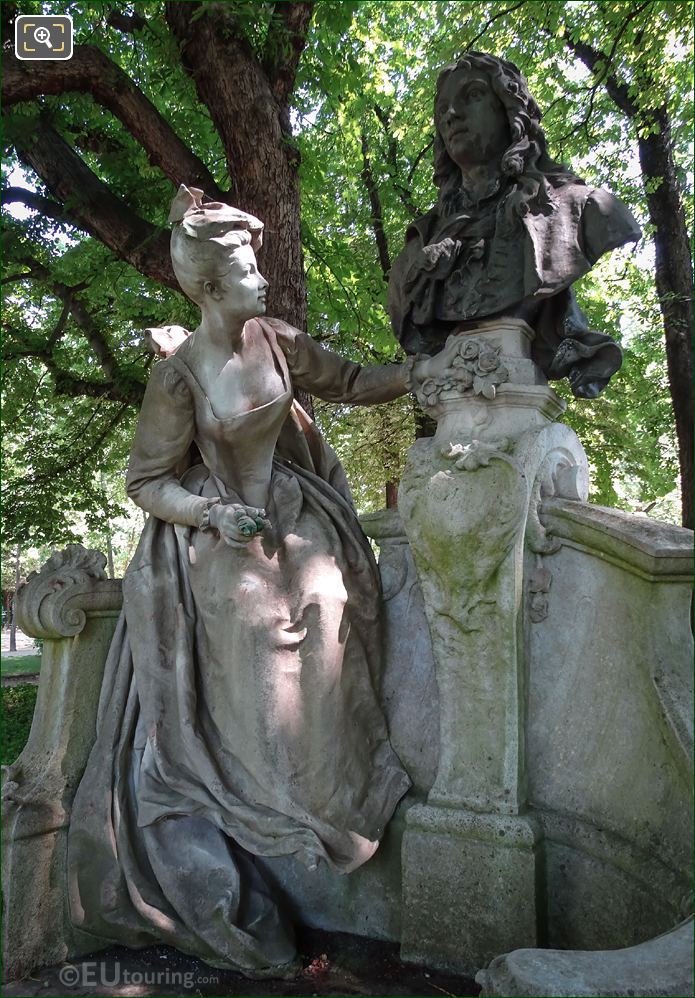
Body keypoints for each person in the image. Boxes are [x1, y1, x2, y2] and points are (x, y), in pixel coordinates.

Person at [67, 186, 417, 977]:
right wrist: (212, 515)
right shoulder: (180, 377)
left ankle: (335, 795)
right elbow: (147, 481)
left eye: (259, 265)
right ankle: (259, 792)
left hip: (292, 512)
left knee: (327, 595)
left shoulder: (276, 337)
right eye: (249, 271)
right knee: (258, 625)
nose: (264, 281)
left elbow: (355, 380)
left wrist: (423, 373)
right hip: (212, 529)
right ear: (211, 289)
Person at [388, 52, 642, 399]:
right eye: (443, 107)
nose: (451, 114)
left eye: (473, 96)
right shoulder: (418, 249)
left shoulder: (580, 210)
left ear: (510, 113)